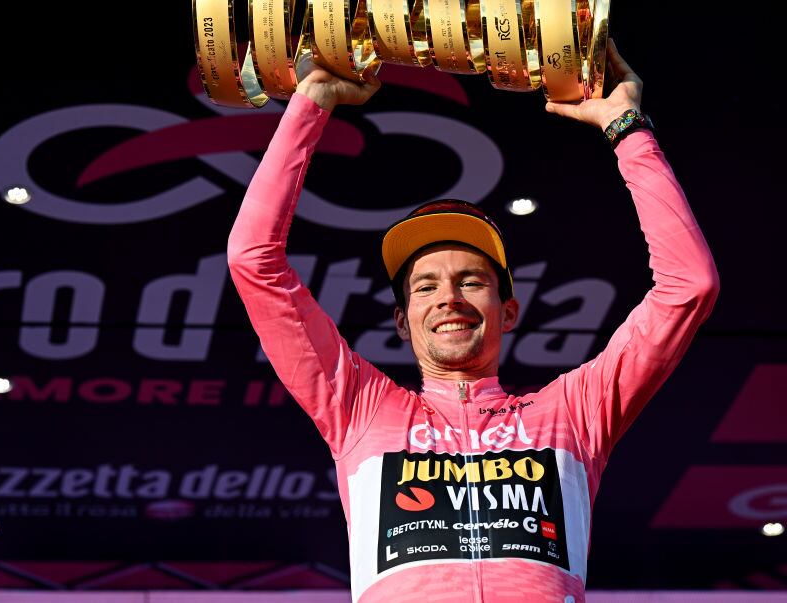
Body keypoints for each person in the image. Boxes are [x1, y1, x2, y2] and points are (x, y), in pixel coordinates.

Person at [226, 39, 719, 603]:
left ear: (508, 311)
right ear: (402, 322)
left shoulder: (574, 413)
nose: (449, 299)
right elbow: (253, 260)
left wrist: (625, 127)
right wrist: (312, 101)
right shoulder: (358, 407)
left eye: (472, 281)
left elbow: (690, 286)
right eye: (426, 286)